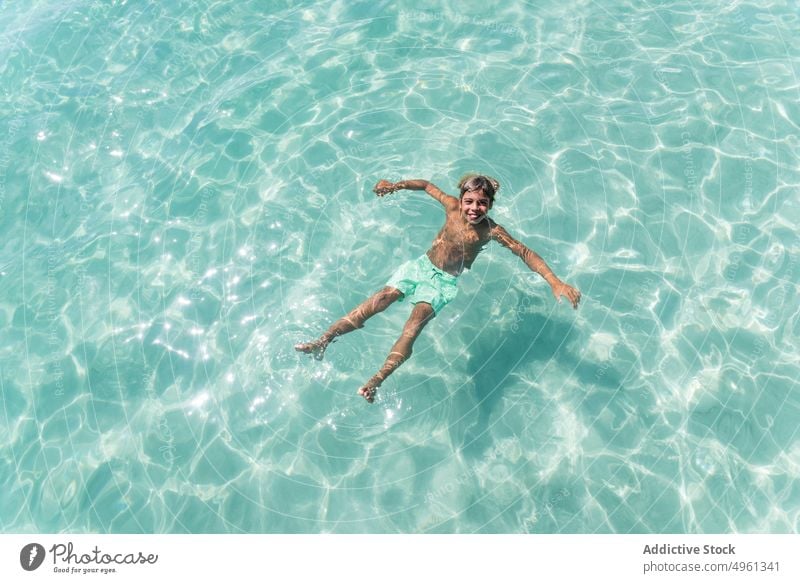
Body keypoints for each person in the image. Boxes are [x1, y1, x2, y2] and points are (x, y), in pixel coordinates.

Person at [295, 175, 581, 403]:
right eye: (469, 201)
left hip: (443, 283)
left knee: (412, 325)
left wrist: (555, 282)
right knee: (380, 299)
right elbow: (426, 185)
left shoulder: (491, 231)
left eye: (482, 203)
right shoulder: (451, 207)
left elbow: (525, 252)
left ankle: (376, 380)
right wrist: (395, 186)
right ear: (460, 199)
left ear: (490, 206)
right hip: (420, 266)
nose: (474, 208)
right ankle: (322, 341)